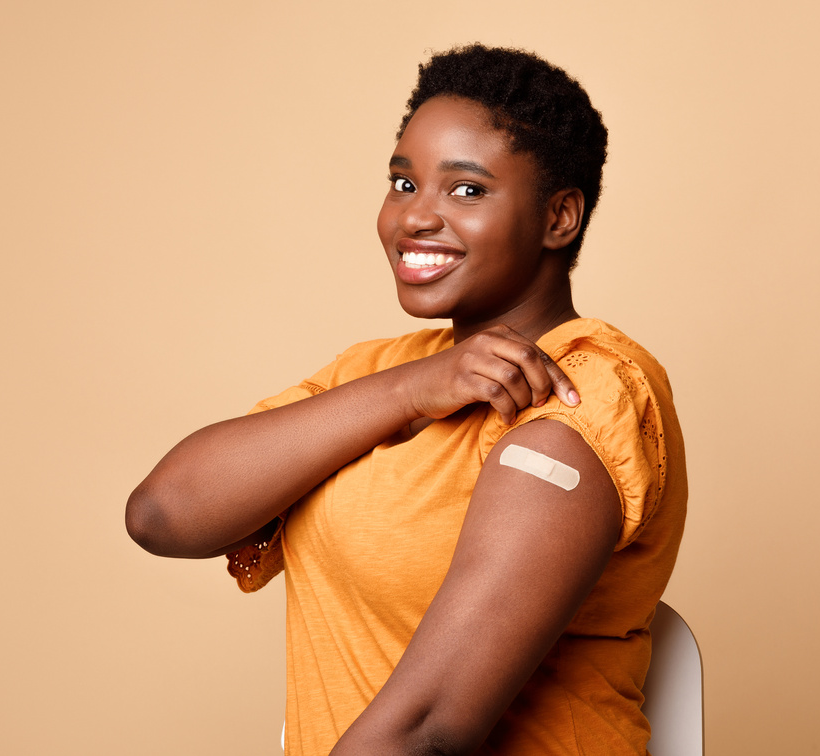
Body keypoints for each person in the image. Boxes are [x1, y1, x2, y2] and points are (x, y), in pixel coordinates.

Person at [127, 44, 688, 756]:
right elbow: (162, 514)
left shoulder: (583, 396)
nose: (415, 217)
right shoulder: (380, 373)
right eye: (403, 182)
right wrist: (412, 389)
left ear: (559, 217)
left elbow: (428, 730)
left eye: (467, 190)